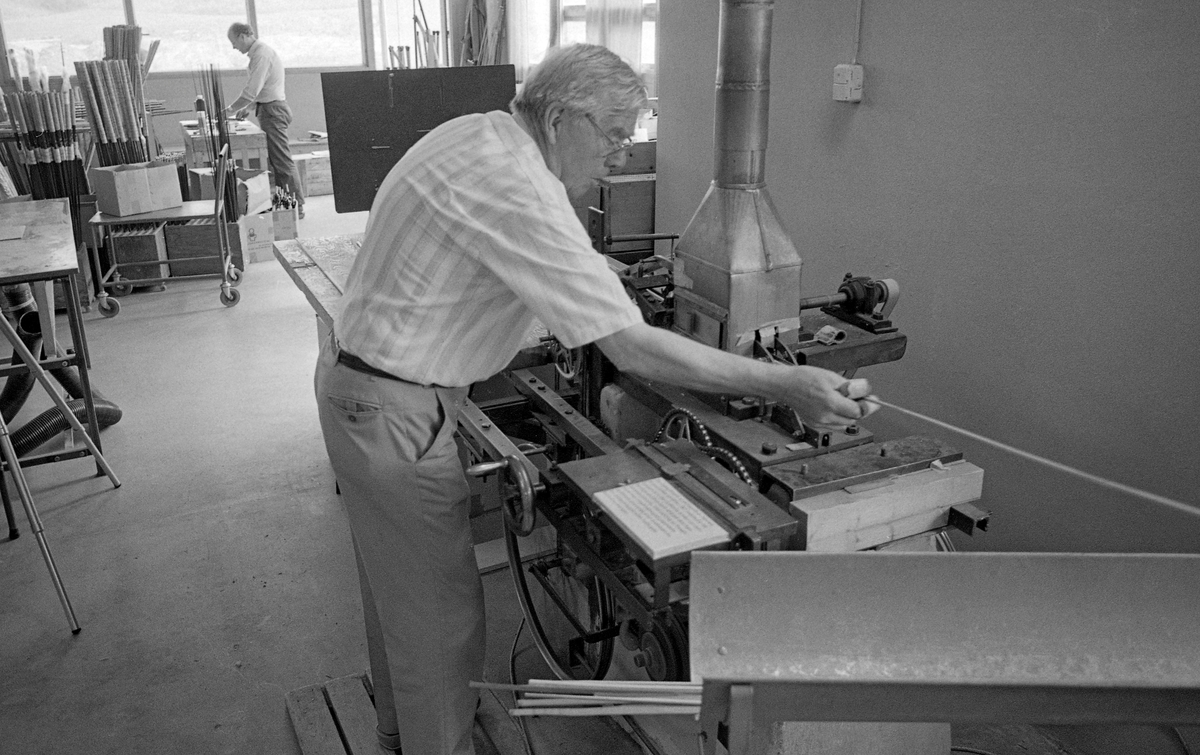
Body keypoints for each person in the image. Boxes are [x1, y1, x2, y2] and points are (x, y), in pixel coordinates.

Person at [313, 44, 878, 755]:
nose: (617, 156)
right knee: (439, 626)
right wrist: (785, 383)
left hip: (361, 390)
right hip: (393, 413)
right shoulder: (518, 185)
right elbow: (632, 348)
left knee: (397, 604)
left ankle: (397, 735)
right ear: (559, 120)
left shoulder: (479, 135)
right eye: (611, 136)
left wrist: (603, 273)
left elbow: (522, 250)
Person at [224, 22, 305, 218]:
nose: (234, 47)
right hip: (269, 109)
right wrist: (248, 107)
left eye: (234, 42)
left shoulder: (261, 54)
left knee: (281, 160)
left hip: (273, 111)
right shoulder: (258, 54)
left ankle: (295, 206)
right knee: (277, 160)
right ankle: (287, 204)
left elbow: (251, 91)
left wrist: (229, 110)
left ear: (243, 36)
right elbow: (265, 89)